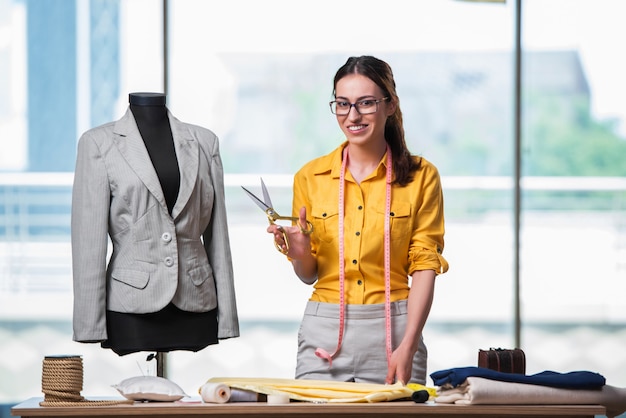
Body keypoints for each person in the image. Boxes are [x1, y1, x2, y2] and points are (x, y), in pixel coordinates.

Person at [268, 56, 448, 385]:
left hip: (394, 329)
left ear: (390, 105)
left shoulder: (422, 176)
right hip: (323, 328)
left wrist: (408, 345)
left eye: (366, 103)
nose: (353, 115)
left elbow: (425, 265)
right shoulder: (310, 177)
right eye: (342, 104)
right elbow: (309, 275)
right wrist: (299, 251)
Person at [71, 92, 239, 356]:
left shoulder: (204, 143)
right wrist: (89, 323)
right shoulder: (99, 144)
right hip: (131, 305)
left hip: (195, 299)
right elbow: (88, 242)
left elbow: (218, 237)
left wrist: (227, 318)